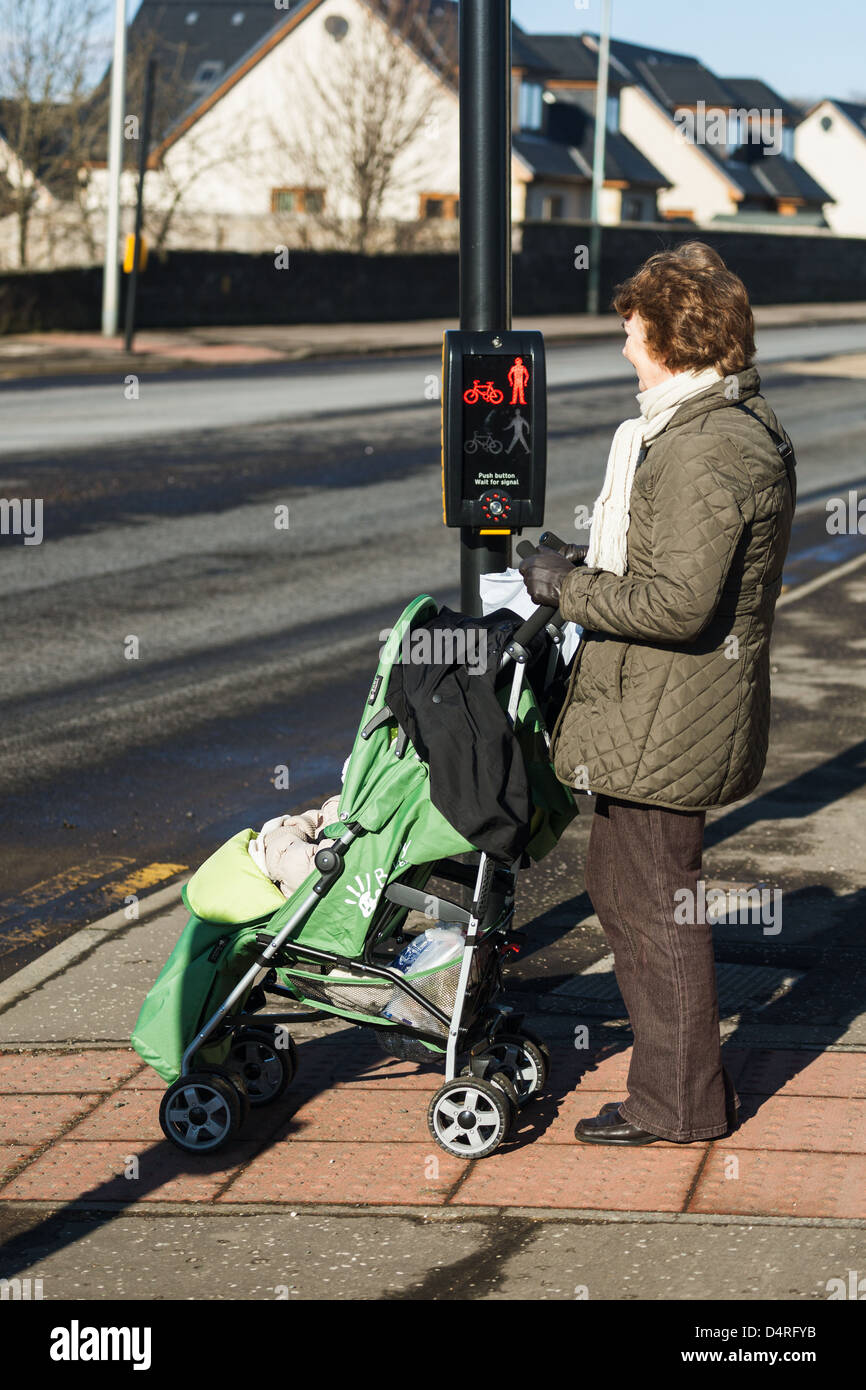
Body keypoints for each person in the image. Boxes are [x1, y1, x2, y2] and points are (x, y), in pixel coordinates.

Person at [520, 242, 796, 1146]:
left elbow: (678, 605)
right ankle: (679, 1093)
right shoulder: (704, 426)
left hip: (669, 710)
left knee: (654, 903)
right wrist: (579, 566)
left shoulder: (706, 448)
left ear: (672, 333)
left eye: (632, 326)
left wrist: (565, 586)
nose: (624, 341)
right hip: (664, 706)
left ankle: (678, 1106)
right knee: (627, 886)